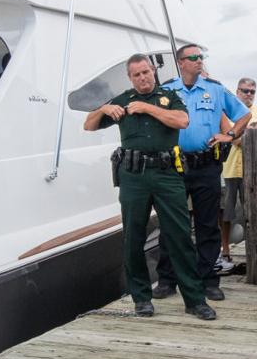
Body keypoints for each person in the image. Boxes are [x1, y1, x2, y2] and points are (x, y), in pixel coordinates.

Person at [83, 54, 215, 320]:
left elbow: (182, 121)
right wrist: (103, 110)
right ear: (130, 78)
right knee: (133, 237)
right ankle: (141, 299)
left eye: (146, 72)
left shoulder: (168, 97)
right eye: (137, 75)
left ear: (153, 71)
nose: (142, 78)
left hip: (167, 174)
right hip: (134, 177)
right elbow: (88, 125)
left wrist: (148, 108)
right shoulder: (123, 100)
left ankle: (194, 299)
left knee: (179, 236)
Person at [155, 45, 247, 302]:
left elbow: (244, 115)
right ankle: (167, 279)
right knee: (171, 224)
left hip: (207, 166)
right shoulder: (166, 90)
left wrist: (229, 135)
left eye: (201, 57)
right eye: (193, 58)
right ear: (180, 62)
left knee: (208, 225)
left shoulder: (215, 89)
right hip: (174, 165)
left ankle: (208, 280)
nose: (199, 61)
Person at [219, 77, 257, 271]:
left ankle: (253, 253)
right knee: (226, 215)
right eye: (244, 90)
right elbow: (235, 141)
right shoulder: (226, 112)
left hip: (253, 172)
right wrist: (253, 131)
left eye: (252, 91)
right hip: (228, 170)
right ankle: (225, 252)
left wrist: (247, 132)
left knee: (252, 214)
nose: (248, 94)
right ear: (237, 91)